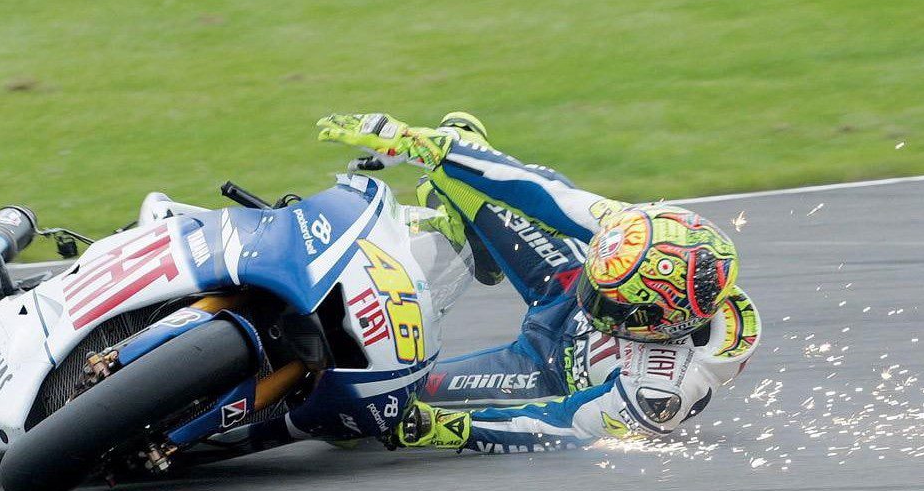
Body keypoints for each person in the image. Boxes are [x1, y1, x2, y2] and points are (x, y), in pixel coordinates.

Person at [314, 111, 762, 453]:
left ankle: (473, 232)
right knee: (465, 174)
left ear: (661, 324)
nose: (596, 301)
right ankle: (473, 228)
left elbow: (562, 424)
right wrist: (428, 146)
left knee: (378, 407)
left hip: (544, 369)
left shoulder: (661, 391)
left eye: (608, 302)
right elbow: (544, 191)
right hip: (561, 286)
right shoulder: (633, 227)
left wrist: (456, 432)